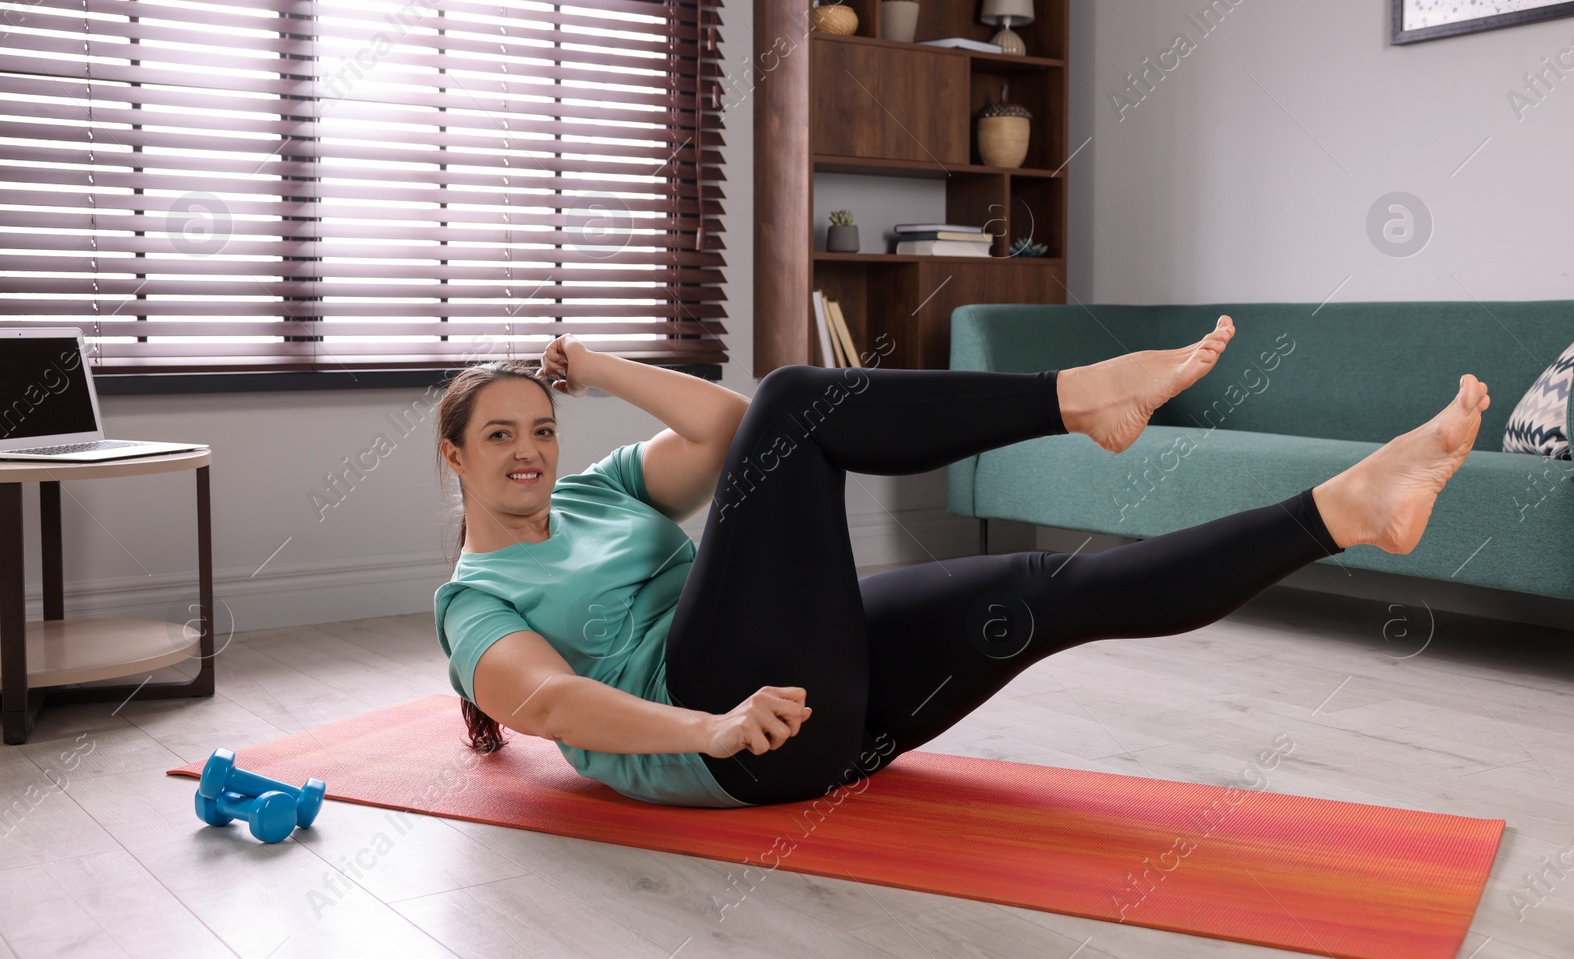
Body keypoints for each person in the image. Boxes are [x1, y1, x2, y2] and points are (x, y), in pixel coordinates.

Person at [433, 317, 1491, 808]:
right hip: (735, 736)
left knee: (1042, 590)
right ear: (453, 455)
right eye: (497, 436)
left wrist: (602, 365)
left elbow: (727, 430)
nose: (528, 450)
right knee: (801, 400)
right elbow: (561, 703)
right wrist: (710, 725)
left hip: (827, 725)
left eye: (539, 426)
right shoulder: (474, 599)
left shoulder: (594, 491)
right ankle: (1078, 397)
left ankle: (1342, 511)